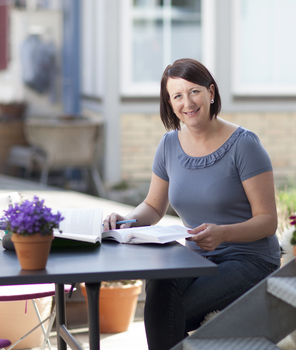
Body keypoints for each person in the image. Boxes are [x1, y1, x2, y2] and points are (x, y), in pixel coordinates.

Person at [103, 58, 280, 350]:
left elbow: (267, 221)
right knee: (159, 284)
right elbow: (153, 206)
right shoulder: (169, 145)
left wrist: (223, 233)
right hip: (197, 259)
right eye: (177, 96)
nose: (188, 102)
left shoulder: (244, 145)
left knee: (168, 311)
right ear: (170, 104)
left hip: (250, 260)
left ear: (211, 92)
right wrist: (125, 220)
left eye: (194, 91)